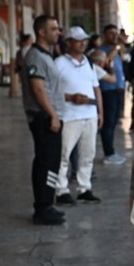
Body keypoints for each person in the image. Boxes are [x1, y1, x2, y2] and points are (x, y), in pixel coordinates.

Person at [21, 15, 67, 226]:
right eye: (54, 29)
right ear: (41, 32)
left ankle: (47, 202)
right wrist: (53, 115)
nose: (58, 32)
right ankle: (42, 206)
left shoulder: (46, 55)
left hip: (50, 116)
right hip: (44, 117)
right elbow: (38, 89)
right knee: (46, 162)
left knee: (50, 161)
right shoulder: (35, 57)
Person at [54, 27, 103, 205]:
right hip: (69, 116)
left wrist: (100, 112)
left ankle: (84, 188)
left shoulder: (88, 62)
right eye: (78, 40)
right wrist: (70, 98)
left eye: (84, 40)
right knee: (63, 155)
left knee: (87, 155)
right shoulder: (59, 63)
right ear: (68, 43)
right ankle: (61, 190)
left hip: (89, 115)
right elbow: (51, 90)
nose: (83, 43)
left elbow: (96, 88)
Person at [97, 24, 127, 165]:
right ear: (104, 36)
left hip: (118, 89)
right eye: (111, 33)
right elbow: (105, 62)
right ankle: (108, 153)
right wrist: (116, 47)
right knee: (108, 123)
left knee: (114, 122)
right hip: (107, 90)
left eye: (116, 33)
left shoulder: (117, 50)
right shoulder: (101, 51)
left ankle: (111, 151)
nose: (115, 36)